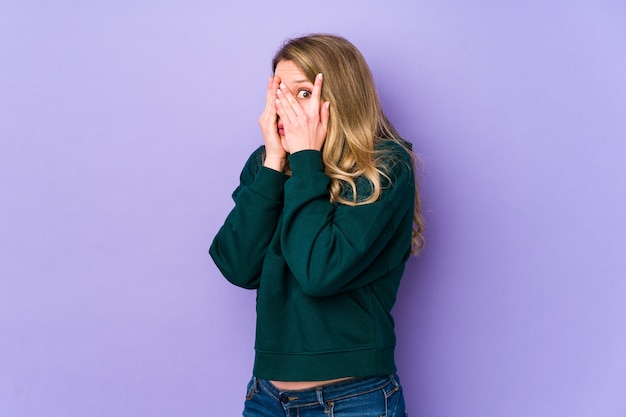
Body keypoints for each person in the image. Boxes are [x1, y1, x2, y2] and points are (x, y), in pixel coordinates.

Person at [209, 34, 425, 417]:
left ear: (338, 98)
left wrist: (307, 159)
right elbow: (237, 266)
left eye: (304, 92)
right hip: (266, 397)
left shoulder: (385, 165)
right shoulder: (267, 164)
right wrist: (274, 166)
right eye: (279, 92)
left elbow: (319, 272)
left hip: (353, 399)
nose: (285, 107)